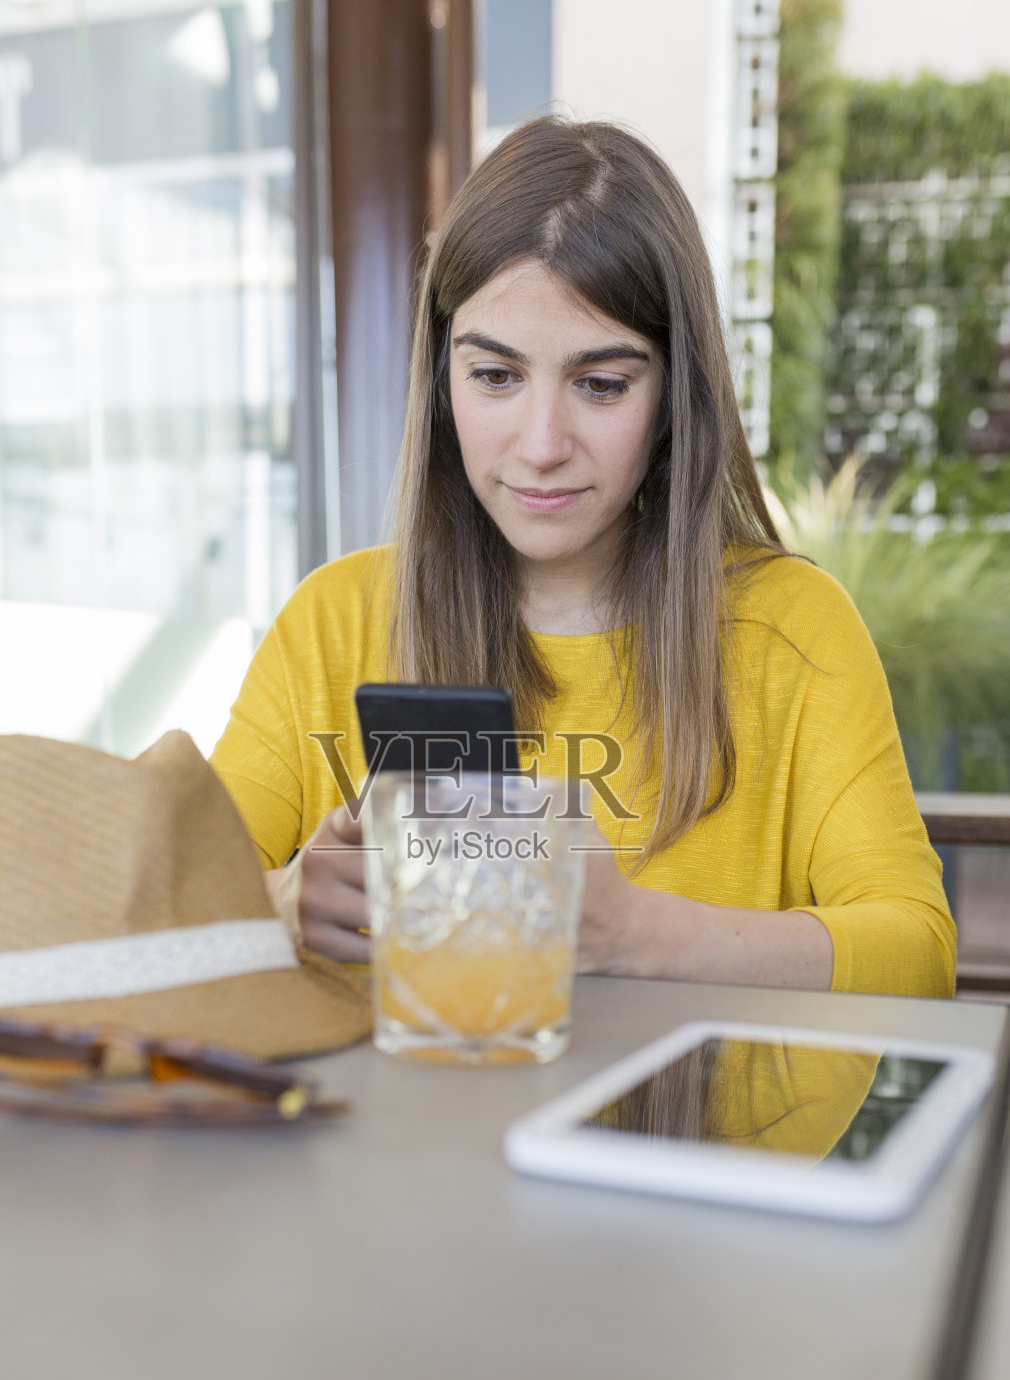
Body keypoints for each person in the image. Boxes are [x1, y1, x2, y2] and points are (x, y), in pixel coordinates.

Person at [211, 115, 955, 998]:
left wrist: (636, 934)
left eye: (601, 385)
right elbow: (161, 907)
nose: (540, 445)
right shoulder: (334, 620)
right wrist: (282, 899)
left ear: (676, 391)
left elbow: (915, 954)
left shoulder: (788, 629)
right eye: (494, 376)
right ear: (442, 380)